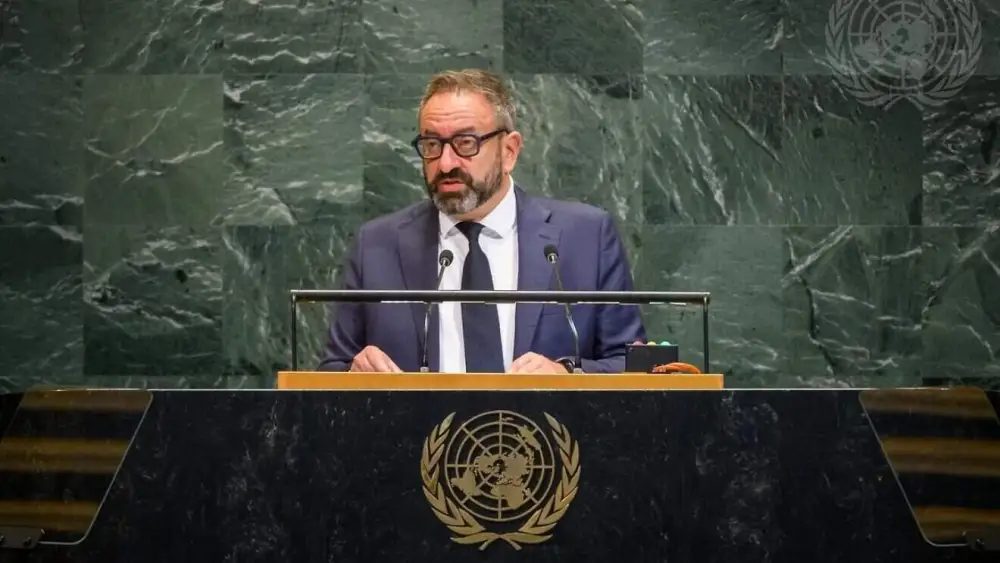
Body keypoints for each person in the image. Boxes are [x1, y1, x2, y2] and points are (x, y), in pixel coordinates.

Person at [317, 69, 645, 374]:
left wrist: (569, 373)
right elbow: (331, 371)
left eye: (465, 143)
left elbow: (633, 365)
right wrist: (353, 371)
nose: (445, 163)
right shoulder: (377, 245)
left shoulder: (585, 237)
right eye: (432, 145)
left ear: (509, 151)